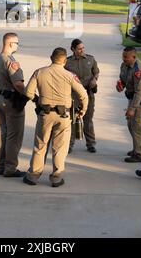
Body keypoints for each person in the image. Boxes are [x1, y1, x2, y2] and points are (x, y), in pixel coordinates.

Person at [23, 47, 88, 187]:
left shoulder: (39, 72)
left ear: (51, 57)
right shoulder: (70, 76)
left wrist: (37, 99)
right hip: (64, 116)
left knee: (40, 145)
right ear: (64, 60)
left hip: (45, 114)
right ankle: (56, 178)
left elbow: (28, 92)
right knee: (60, 148)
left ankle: (33, 175)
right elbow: (83, 95)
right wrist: (83, 109)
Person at [0, 32, 26, 177]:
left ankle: (1, 165)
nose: (18, 45)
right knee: (14, 135)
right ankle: (10, 167)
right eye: (17, 43)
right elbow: (18, 83)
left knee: (5, 133)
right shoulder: (10, 61)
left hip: (0, 97)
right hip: (11, 100)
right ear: (11, 43)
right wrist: (29, 94)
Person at [65, 39, 99, 153]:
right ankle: (69, 145)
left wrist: (94, 80)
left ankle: (91, 144)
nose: (82, 50)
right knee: (72, 120)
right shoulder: (67, 62)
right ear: (73, 49)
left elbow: (96, 72)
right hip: (73, 96)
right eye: (79, 49)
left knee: (88, 120)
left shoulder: (90, 59)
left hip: (88, 94)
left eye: (83, 48)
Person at [116, 46, 141, 163]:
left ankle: (140, 154)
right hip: (131, 97)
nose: (123, 59)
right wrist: (120, 86)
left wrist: (133, 108)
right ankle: (137, 148)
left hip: (139, 100)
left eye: (126, 57)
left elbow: (139, 91)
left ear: (134, 57)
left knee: (136, 126)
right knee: (130, 125)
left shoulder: (140, 69)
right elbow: (122, 80)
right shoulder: (124, 65)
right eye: (123, 56)